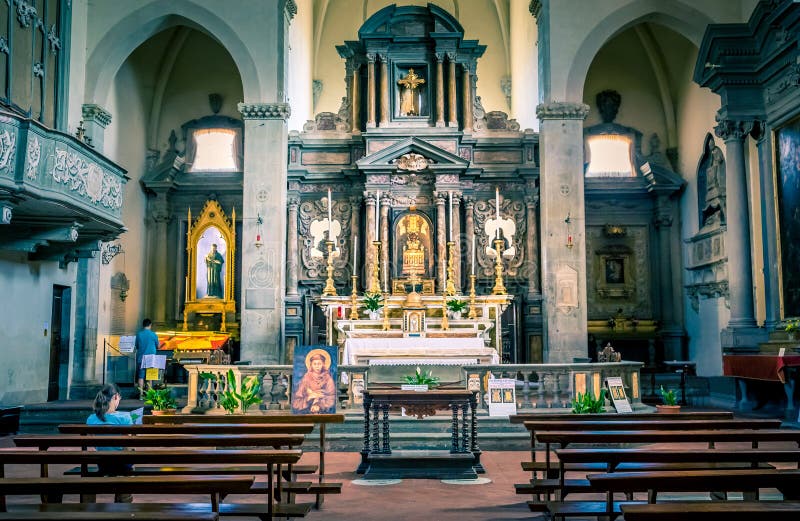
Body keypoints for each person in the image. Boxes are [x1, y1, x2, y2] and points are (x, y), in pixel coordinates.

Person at [86, 383, 133, 503]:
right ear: (116, 397)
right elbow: (129, 442)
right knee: (129, 454)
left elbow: (91, 443)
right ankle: (123, 500)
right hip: (122, 464)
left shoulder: (91, 419)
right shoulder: (126, 418)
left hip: (102, 463)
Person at [135, 318, 159, 396]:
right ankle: (149, 395)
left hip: (141, 357)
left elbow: (137, 346)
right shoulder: (153, 334)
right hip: (151, 358)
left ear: (143, 325)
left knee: (141, 377)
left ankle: (141, 395)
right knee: (150, 376)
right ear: (150, 325)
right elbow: (158, 346)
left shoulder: (139, 334)